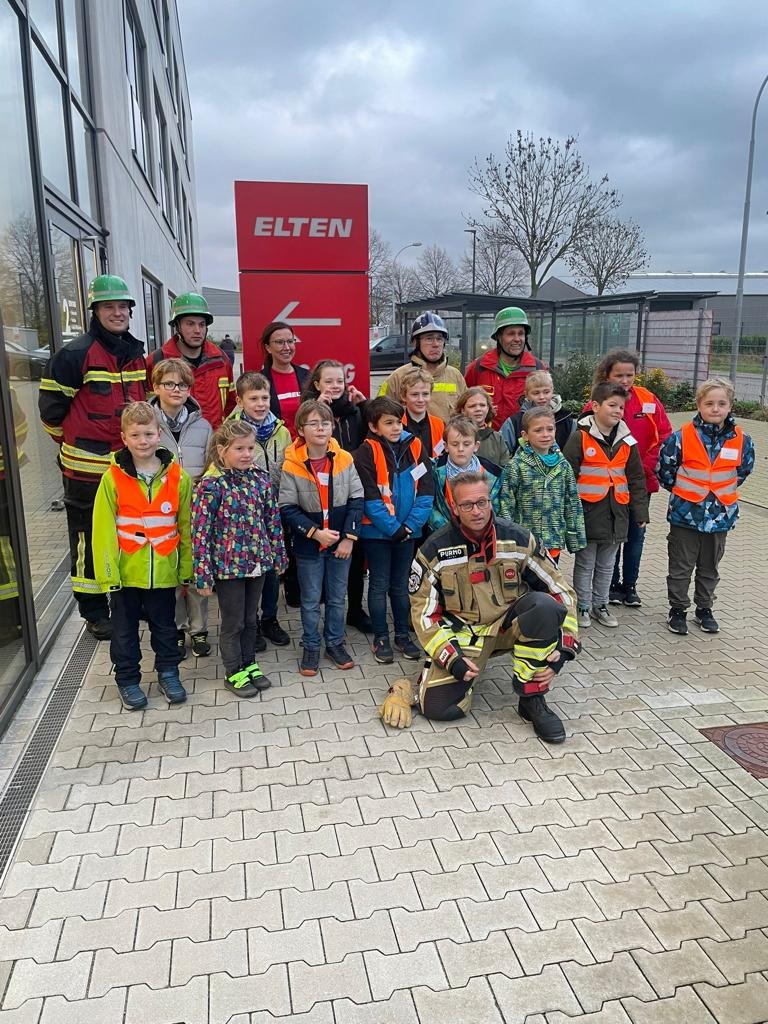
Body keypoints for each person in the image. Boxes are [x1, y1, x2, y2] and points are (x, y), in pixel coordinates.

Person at [379, 472, 580, 744]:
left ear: (490, 502)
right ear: (454, 508)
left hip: (509, 626)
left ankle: (532, 698)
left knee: (544, 606)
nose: (477, 511)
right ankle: (412, 687)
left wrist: (566, 645)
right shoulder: (434, 550)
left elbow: (560, 590)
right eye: (467, 505)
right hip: (463, 637)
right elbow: (424, 613)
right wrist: (451, 659)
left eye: (482, 502)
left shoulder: (518, 539)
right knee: (440, 709)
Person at [39, 274, 147, 639]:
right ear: (95, 311)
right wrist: (73, 449)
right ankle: (94, 612)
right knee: (86, 540)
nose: (117, 313)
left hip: (125, 468)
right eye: (108, 307)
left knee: (123, 536)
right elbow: (51, 415)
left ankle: (125, 601)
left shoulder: (135, 356)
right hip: (85, 473)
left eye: (122, 307)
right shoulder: (75, 355)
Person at [92, 401, 192, 710]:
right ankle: (127, 680)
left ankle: (168, 672)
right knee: (124, 633)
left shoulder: (179, 478)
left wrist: (186, 569)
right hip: (126, 574)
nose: (143, 441)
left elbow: (186, 527)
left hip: (163, 571)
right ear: (124, 438)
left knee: (165, 628)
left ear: (160, 434)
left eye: (148, 433)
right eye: (135, 435)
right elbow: (103, 530)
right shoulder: (112, 479)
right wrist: (108, 575)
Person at [192, 421, 287, 698]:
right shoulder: (211, 485)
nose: (247, 454)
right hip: (228, 568)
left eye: (250, 448)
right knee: (233, 622)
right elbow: (200, 533)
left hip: (257, 562)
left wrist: (278, 555)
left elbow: (272, 521)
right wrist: (204, 575)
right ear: (222, 451)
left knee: (250, 618)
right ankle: (233, 671)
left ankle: (249, 663)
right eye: (239, 449)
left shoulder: (260, 478)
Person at [658, 378, 754, 636]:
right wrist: (687, 496)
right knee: (680, 566)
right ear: (699, 405)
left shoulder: (742, 440)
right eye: (709, 403)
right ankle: (677, 610)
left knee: (710, 567)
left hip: (720, 516)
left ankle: (704, 609)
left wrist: (717, 495)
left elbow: (743, 471)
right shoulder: (680, 438)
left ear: (730, 406)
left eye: (721, 403)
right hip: (684, 516)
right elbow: (666, 471)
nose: (715, 408)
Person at [279, 400, 364, 676]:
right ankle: (311, 645)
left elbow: (357, 498)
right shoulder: (292, 464)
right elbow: (287, 508)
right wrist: (316, 534)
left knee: (338, 597)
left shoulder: (345, 459)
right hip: (309, 545)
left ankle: (335, 642)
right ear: (301, 430)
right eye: (313, 423)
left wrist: (349, 538)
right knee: (311, 598)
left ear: (332, 427)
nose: (320, 428)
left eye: (325, 423)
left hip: (341, 543)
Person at [353, 396, 434, 664]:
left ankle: (402, 636)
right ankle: (381, 638)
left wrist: (411, 525)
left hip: (408, 532)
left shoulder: (415, 445)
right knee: (378, 586)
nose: (396, 427)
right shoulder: (364, 452)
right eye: (389, 423)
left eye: (398, 422)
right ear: (374, 427)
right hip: (377, 534)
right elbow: (370, 498)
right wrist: (394, 528)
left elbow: (426, 490)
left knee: (401, 587)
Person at [589, 350, 672, 609]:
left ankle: (630, 586)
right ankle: (611, 585)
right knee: (611, 535)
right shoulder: (598, 401)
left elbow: (665, 435)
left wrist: (644, 468)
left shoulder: (648, 400)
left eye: (630, 375)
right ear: (607, 375)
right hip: (608, 485)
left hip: (639, 484)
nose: (625, 380)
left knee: (636, 535)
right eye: (619, 375)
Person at [563, 383, 649, 629]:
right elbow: (568, 474)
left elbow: (636, 479)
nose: (618, 411)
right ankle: (582, 605)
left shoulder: (627, 441)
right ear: (595, 406)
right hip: (588, 513)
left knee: (606, 565)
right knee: (585, 563)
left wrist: (639, 512)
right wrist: (569, 511)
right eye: (612, 405)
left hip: (616, 514)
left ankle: (600, 604)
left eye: (621, 407)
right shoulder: (580, 436)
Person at [148, 358, 213, 660]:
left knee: (198, 572)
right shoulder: (148, 425)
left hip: (197, 509)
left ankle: (199, 630)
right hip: (161, 511)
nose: (176, 389)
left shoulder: (202, 425)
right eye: (169, 384)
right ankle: (176, 628)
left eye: (182, 384)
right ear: (157, 386)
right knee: (173, 574)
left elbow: (213, 465)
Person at [301, 360, 371, 632]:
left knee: (353, 551)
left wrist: (364, 406)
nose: (334, 387)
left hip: (351, 490)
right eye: (328, 382)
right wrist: (319, 409)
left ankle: (354, 609)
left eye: (339, 382)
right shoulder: (309, 414)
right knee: (319, 556)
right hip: (318, 494)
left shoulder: (354, 412)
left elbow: (371, 432)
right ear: (317, 384)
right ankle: (319, 612)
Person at [228, 371, 292, 647]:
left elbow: (289, 469)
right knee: (248, 570)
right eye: (253, 398)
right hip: (243, 513)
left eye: (265, 397)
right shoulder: (229, 430)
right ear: (240, 401)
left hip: (274, 511)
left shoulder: (282, 430)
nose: (260, 403)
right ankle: (249, 623)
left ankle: (270, 618)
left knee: (271, 569)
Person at [498, 408, 586, 563]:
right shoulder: (516, 466)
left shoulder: (563, 465)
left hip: (553, 539)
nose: (545, 434)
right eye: (538, 430)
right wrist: (508, 540)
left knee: (549, 582)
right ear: (525, 435)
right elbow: (506, 503)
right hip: (525, 541)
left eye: (550, 429)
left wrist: (575, 537)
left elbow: (572, 501)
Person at [147, 293, 236, 431]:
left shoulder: (221, 360)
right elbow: (147, 407)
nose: (197, 330)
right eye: (190, 324)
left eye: (202, 324)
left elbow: (230, 401)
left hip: (214, 444)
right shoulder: (157, 361)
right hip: (173, 446)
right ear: (177, 326)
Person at [464, 307, 546, 429]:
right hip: (486, 441)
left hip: (524, 442)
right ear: (499, 337)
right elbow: (464, 405)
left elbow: (545, 409)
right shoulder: (479, 368)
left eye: (521, 333)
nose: (517, 339)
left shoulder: (537, 369)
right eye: (511, 334)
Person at [379, 312, 466, 422]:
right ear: (416, 343)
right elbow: (379, 414)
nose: (436, 344)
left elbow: (466, 415)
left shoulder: (455, 375)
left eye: (439, 339)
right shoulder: (398, 377)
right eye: (429, 339)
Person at [429, 416, 503, 533]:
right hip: (444, 534)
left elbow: (496, 508)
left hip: (482, 533)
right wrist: (447, 529)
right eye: (455, 444)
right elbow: (429, 505)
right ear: (446, 447)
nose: (461, 449)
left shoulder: (493, 474)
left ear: (476, 446)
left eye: (467, 444)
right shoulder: (433, 470)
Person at [500, 370, 576, 455]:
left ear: (552, 391)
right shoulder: (514, 422)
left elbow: (572, 456)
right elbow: (501, 454)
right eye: (536, 393)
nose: (542, 397)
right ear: (527, 395)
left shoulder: (568, 421)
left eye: (546, 392)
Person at [259, 321, 310, 440]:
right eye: (279, 342)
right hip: (277, 451)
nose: (286, 347)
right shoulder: (260, 381)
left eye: (290, 341)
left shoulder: (307, 376)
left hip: (305, 448)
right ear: (268, 347)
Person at [456, 386, 510, 466]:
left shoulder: (497, 438)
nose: (478, 409)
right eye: (472, 406)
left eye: (482, 405)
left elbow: (506, 469)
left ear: (488, 408)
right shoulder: (454, 435)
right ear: (462, 410)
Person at [399, 368, 445, 460]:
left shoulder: (439, 424)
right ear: (404, 396)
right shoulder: (397, 425)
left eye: (425, 394)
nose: (420, 400)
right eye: (414, 394)